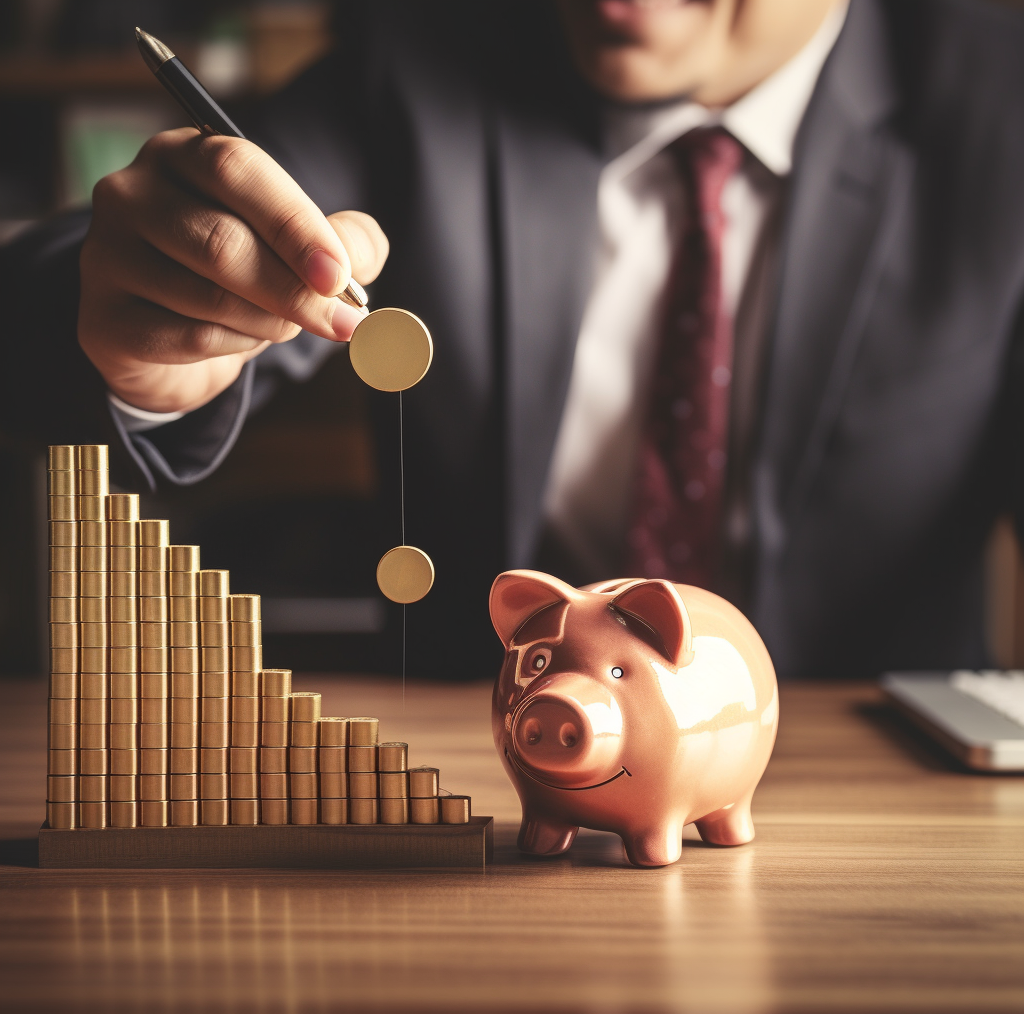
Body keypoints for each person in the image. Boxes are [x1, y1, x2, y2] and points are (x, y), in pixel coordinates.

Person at [3, 0, 1024, 678]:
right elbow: (58, 291)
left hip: (870, 796)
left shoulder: (997, 96)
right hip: (489, 781)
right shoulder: (417, 63)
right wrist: (136, 329)